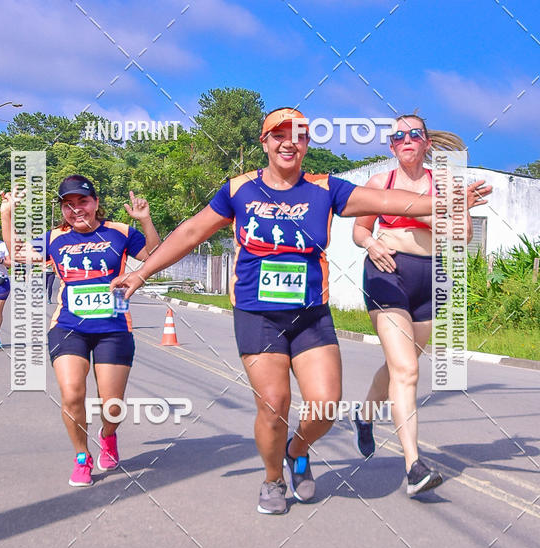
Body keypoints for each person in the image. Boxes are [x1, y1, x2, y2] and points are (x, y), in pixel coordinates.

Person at [111, 107, 490, 514]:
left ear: (308, 143)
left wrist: (444, 201)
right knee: (274, 405)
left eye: (299, 135)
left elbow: (385, 199)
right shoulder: (240, 189)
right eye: (279, 134)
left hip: (310, 315)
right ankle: (273, 479)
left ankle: (298, 449)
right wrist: (142, 272)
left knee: (326, 405)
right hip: (258, 315)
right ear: (265, 141)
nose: (289, 142)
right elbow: (189, 232)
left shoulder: (326, 188)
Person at [352, 113, 488, 495]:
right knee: (408, 370)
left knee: (399, 366)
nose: (406, 139)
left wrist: (454, 206)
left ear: (427, 143)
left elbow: (460, 237)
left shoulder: (444, 185)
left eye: (415, 134)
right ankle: (413, 466)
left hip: (431, 279)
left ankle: (364, 414)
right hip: (387, 273)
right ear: (392, 146)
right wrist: (372, 243)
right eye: (398, 136)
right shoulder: (381, 183)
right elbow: (360, 230)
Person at [0, 176, 161, 488]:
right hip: (68, 326)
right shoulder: (54, 238)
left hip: (113, 328)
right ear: (62, 209)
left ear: (96, 203)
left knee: (111, 404)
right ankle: (81, 456)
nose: (76, 210)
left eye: (82, 202)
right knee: (73, 393)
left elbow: (154, 256)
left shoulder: (120, 232)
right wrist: (7, 214)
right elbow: (18, 254)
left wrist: (145, 220)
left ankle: (108, 436)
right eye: (68, 204)